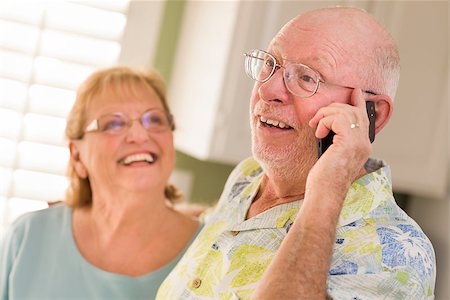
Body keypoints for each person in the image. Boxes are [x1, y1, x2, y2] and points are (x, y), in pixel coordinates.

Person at [157, 7, 436, 299]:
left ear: (372, 115)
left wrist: (327, 189)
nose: (268, 90)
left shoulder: (399, 258)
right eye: (270, 63)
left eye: (306, 78)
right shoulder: (250, 174)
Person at [0, 66, 201, 299]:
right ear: (77, 156)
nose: (140, 135)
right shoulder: (27, 237)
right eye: (113, 124)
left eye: (154, 119)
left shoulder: (211, 250)